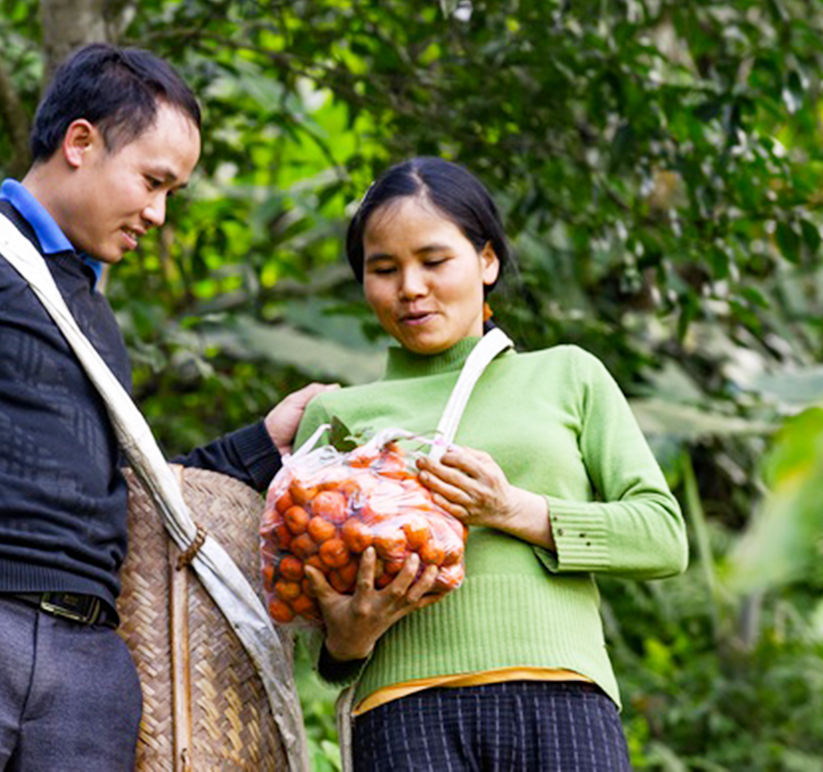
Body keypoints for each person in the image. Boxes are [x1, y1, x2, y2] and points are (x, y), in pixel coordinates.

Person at [0, 43, 329, 771]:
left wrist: (261, 442)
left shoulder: (92, 312)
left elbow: (132, 492)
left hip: (88, 666)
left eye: (172, 192)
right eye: (153, 181)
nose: (158, 213)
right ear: (80, 141)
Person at [294, 156, 688, 771]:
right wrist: (349, 638)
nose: (411, 288)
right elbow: (319, 640)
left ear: (487, 261)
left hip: (563, 698)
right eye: (384, 268)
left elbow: (662, 537)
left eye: (434, 260)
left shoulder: (567, 375)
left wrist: (510, 509)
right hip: (402, 713)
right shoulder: (337, 416)